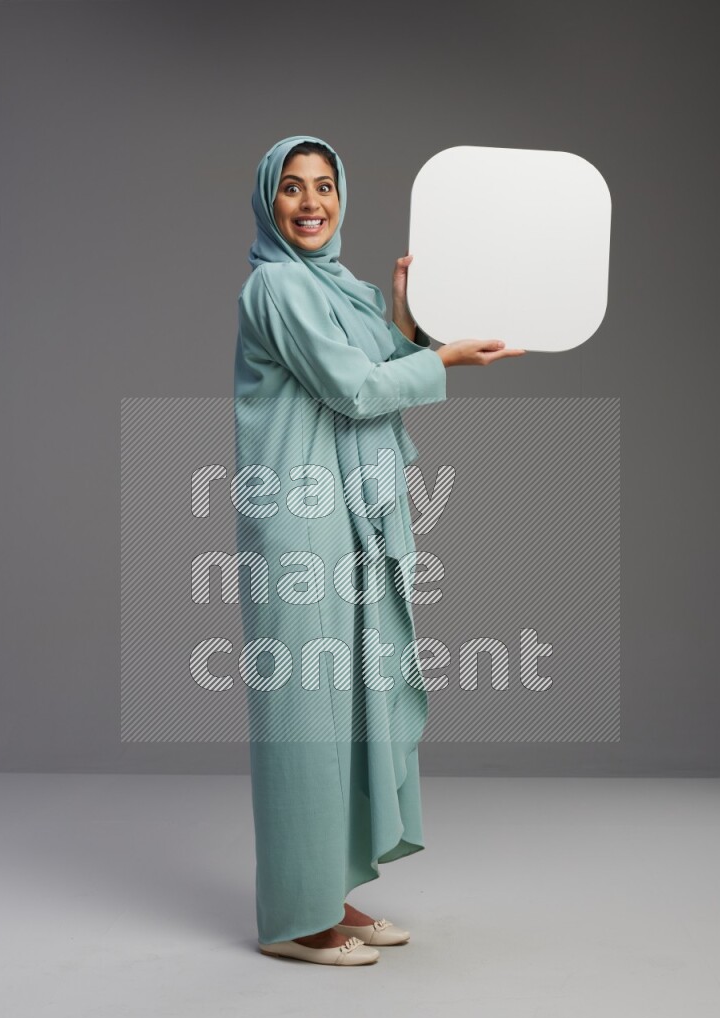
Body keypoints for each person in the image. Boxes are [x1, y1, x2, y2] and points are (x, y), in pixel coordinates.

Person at [233, 135, 525, 966]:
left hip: (346, 519)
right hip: (298, 518)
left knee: (348, 708)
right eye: (292, 188)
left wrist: (399, 318)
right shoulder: (277, 285)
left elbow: (373, 360)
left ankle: (328, 891)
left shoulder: (337, 288)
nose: (311, 202)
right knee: (304, 720)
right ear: (268, 201)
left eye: (324, 186)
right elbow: (356, 389)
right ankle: (296, 918)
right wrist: (436, 358)